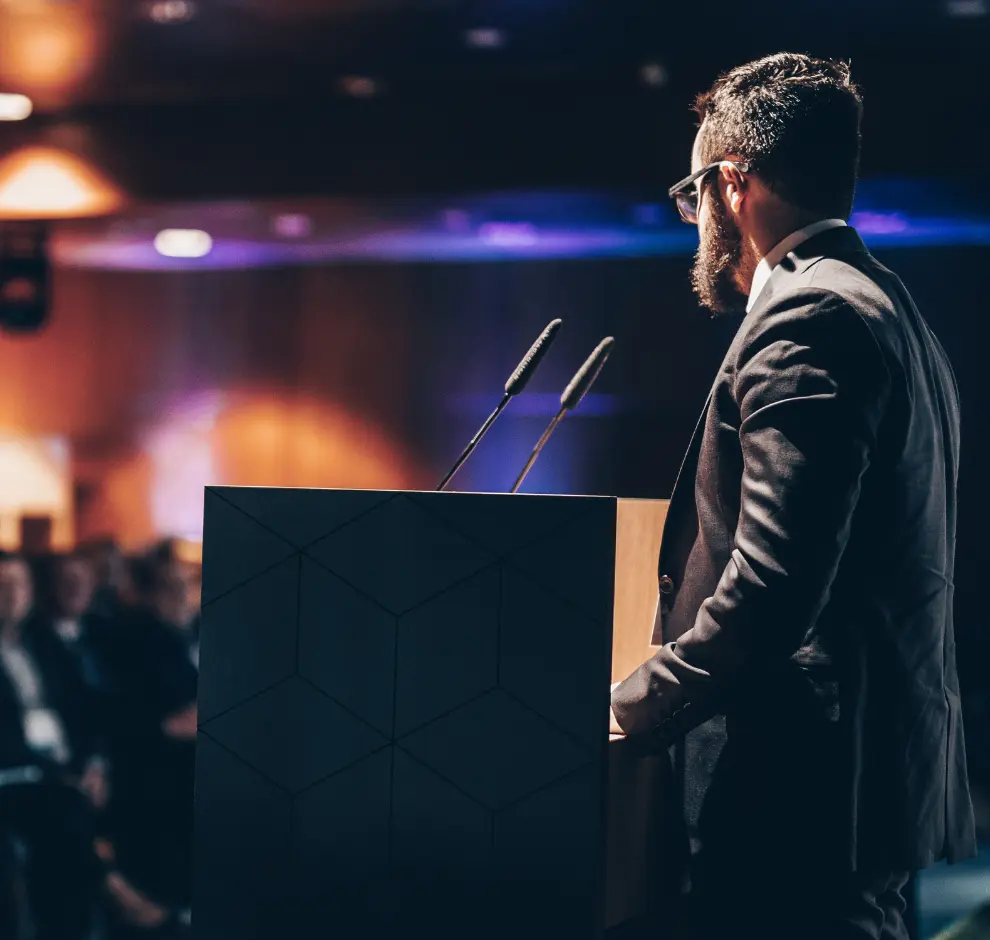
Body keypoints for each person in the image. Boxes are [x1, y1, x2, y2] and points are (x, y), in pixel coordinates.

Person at [609, 53, 976, 939]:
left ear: (732, 184)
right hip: (860, 780)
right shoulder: (894, 308)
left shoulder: (808, 318)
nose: (695, 220)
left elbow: (775, 583)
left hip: (796, 787)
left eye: (693, 195)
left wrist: (634, 704)